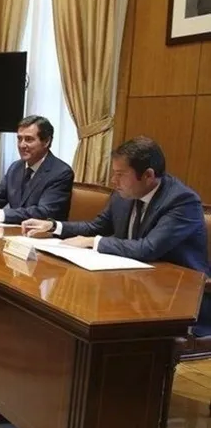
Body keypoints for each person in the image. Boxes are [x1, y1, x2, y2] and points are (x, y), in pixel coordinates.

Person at [22, 136, 211, 335]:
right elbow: (96, 226)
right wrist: (53, 226)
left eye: (120, 174)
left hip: (178, 298)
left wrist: (92, 242)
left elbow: (148, 248)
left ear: (148, 175)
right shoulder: (123, 195)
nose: (114, 181)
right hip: (133, 286)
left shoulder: (182, 201)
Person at [0, 115, 74, 224]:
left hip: (43, 237)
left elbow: (44, 213)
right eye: (19, 139)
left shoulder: (61, 172)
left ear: (46, 141)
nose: (22, 145)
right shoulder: (16, 167)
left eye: (29, 139)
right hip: (14, 233)